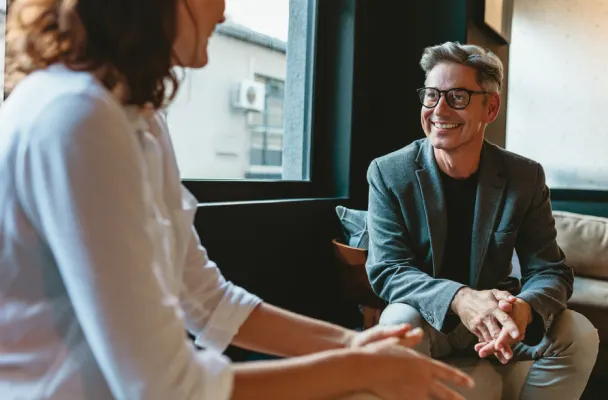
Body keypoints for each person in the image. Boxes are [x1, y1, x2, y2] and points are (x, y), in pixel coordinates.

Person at [0, 1, 475, 400]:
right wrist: (366, 370)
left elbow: (208, 300)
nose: (224, 12)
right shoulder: (75, 117)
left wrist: (356, 344)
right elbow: (164, 388)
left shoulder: (139, 118)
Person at [365, 41, 600, 400]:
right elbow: (389, 269)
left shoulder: (525, 177)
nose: (439, 109)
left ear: (491, 107)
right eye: (431, 95)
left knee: (579, 332)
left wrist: (524, 309)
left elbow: (552, 270)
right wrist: (460, 298)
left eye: (457, 96)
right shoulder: (389, 172)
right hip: (428, 319)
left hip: (502, 320)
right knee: (397, 323)